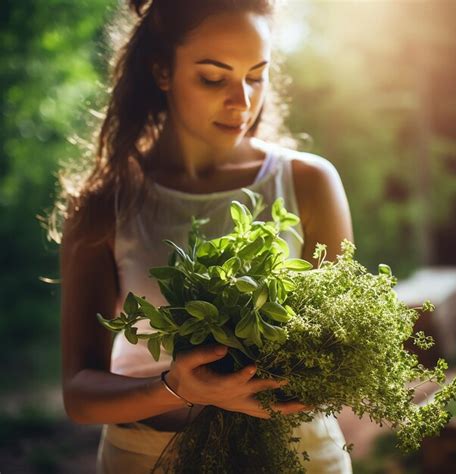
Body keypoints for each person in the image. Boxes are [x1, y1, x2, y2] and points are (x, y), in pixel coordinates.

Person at [53, 0, 354, 472]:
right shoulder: (104, 204)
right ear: (162, 71)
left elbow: (341, 351)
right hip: (150, 460)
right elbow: (80, 395)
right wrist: (174, 388)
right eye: (214, 78)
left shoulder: (309, 182)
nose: (243, 101)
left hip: (299, 456)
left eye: (256, 75)